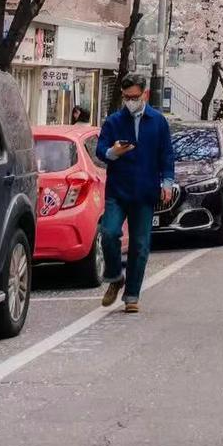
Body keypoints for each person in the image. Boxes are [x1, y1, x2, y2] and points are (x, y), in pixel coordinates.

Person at [95, 73, 175, 313]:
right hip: (118, 190)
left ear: (145, 95)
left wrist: (167, 183)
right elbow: (100, 150)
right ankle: (114, 276)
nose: (130, 101)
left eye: (135, 97)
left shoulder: (158, 122)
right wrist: (113, 151)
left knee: (140, 244)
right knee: (108, 233)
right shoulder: (114, 121)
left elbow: (167, 155)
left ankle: (132, 295)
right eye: (127, 97)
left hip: (145, 190)